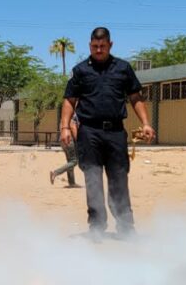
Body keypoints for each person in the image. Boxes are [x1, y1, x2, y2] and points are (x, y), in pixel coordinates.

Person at [60, 27, 155, 238]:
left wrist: (146, 123)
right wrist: (65, 127)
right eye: (95, 46)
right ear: (90, 46)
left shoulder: (123, 68)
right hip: (89, 133)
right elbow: (70, 100)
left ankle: (126, 228)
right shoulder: (81, 70)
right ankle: (96, 228)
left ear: (110, 45)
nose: (99, 50)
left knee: (119, 180)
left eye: (103, 46)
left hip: (115, 133)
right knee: (93, 180)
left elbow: (135, 97)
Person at [49, 116, 79, 187]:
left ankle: (72, 182)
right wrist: (78, 141)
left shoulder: (64, 118)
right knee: (74, 161)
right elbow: (73, 128)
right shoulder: (72, 117)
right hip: (69, 140)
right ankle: (55, 173)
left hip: (63, 140)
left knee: (70, 161)